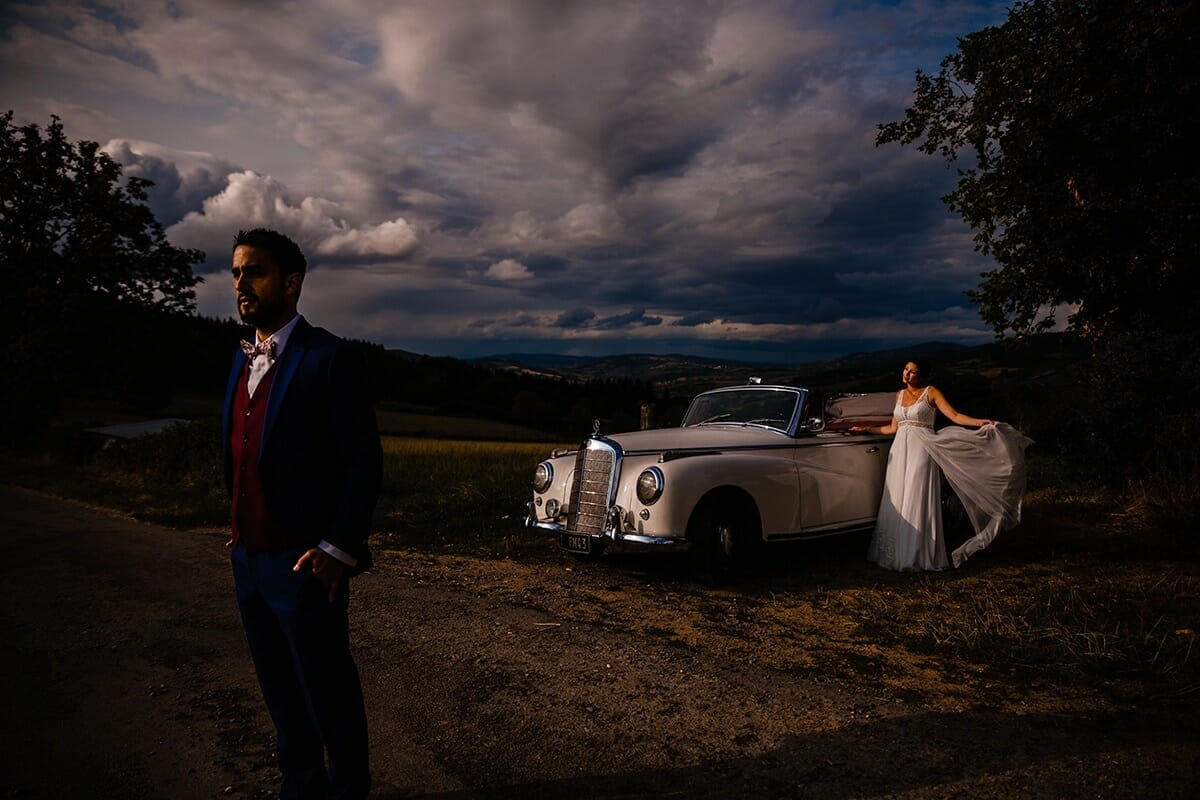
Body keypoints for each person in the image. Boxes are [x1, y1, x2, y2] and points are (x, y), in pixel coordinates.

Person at [222, 228, 383, 800]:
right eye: (237, 272)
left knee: (326, 690)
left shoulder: (329, 358)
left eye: (255, 272)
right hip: (249, 561)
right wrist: (238, 528)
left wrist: (339, 549)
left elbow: (363, 463)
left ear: (291, 283)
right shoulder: (240, 361)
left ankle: (347, 791)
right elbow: (244, 449)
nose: (241, 284)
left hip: (307, 563)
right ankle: (302, 786)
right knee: (278, 689)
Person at [851, 359, 1031, 571]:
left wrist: (979, 422)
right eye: (906, 369)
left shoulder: (931, 392)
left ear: (922, 375)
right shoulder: (899, 395)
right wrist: (865, 429)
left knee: (916, 496)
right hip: (899, 452)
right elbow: (891, 429)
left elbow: (954, 415)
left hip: (922, 450)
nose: (907, 374)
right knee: (899, 498)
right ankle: (896, 553)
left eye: (913, 372)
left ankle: (916, 554)